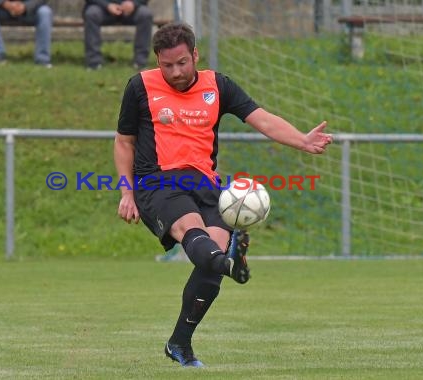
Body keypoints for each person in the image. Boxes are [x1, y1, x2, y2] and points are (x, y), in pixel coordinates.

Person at [114, 22, 333, 367]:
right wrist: (126, 192)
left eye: (182, 63)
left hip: (206, 183)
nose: (175, 72)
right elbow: (124, 141)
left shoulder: (218, 85)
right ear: (158, 60)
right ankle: (231, 263)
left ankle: (180, 345)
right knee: (193, 232)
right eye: (167, 65)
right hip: (157, 182)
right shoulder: (140, 86)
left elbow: (262, 119)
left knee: (210, 262)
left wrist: (302, 140)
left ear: (195, 55)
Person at [0, 0, 53, 67]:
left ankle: (42, 60)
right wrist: (6, 4)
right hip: (2, 9)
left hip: (29, 10)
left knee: (45, 12)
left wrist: (25, 7)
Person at [83, 0, 153, 70]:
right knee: (91, 14)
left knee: (145, 14)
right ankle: (94, 63)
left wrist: (133, 3)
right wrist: (107, 5)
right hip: (102, 8)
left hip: (131, 10)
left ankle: (140, 62)